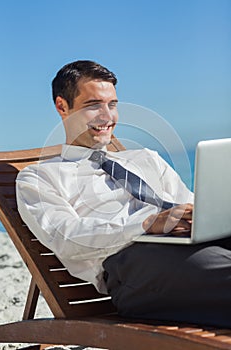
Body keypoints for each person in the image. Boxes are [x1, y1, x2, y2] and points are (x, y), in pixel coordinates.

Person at [16, 60, 231, 328]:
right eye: (93, 105)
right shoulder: (39, 178)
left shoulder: (146, 159)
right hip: (133, 269)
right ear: (62, 107)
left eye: (113, 105)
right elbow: (67, 237)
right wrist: (146, 225)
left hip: (190, 249)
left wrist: (206, 216)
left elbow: (192, 205)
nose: (107, 117)